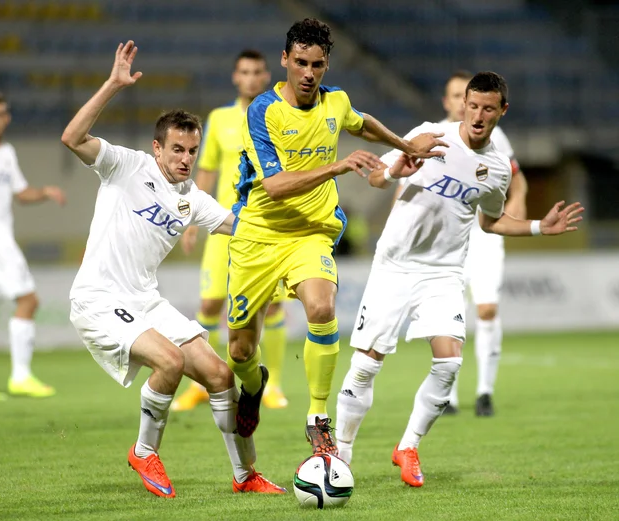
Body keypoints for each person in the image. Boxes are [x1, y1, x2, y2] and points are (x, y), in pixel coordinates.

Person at [335, 72, 583, 487]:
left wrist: (541, 226)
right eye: (473, 106)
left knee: (449, 362)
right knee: (365, 365)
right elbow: (378, 178)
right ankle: (339, 456)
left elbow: (491, 221)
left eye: (489, 108)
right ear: (462, 105)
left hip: (444, 272)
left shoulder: (497, 169)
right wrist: (399, 166)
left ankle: (408, 446)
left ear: (502, 111)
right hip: (395, 265)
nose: (479, 115)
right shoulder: (431, 135)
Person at [61, 41, 285, 498]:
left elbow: (238, 227)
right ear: (157, 147)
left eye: (193, 150)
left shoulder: (191, 197)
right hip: (99, 299)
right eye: (177, 149)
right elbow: (72, 139)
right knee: (170, 360)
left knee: (221, 376)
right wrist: (111, 85)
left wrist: (289, 223)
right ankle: (145, 451)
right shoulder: (126, 165)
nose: (186, 159)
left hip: (146, 300)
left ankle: (246, 476)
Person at [226, 18, 446, 454]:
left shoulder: (335, 102)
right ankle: (253, 387)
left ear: (327, 66)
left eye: (318, 65)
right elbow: (274, 186)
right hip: (260, 234)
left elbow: (361, 122)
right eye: (301, 63)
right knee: (239, 349)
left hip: (311, 232)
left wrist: (406, 146)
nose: (309, 73)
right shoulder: (262, 111)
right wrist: (337, 166)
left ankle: (317, 416)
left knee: (322, 307)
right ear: (284, 61)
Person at [172, 49, 289, 412]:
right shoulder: (219, 118)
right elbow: (205, 171)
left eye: (257, 71)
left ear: (266, 75)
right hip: (226, 225)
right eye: (244, 72)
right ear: (235, 77)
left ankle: (274, 386)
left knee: (271, 309)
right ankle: (202, 385)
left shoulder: (279, 114)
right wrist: (191, 217)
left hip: (269, 225)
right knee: (210, 303)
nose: (251, 78)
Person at [0, 92, 66, 401]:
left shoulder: (7, 152)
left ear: (7, 118)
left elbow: (20, 193)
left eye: (0, 114)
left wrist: (44, 191)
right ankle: (20, 376)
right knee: (29, 301)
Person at [440, 70, 528, 416]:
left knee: (487, 309)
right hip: (448, 237)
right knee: (450, 315)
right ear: (451, 101)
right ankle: (449, 396)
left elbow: (515, 176)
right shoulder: (434, 135)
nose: (474, 110)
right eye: (459, 96)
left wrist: (518, 202)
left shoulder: (496, 136)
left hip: (484, 231)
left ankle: (485, 392)